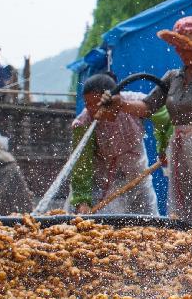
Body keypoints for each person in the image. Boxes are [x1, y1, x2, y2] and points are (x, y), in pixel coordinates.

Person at [102, 16, 192, 228]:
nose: (179, 51)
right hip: (180, 146)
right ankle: (187, 245)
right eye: (177, 46)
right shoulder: (173, 77)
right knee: (184, 204)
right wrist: (120, 102)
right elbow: (147, 107)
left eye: (184, 47)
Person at [68, 73, 164, 216]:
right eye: (88, 104)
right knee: (102, 228)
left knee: (150, 223)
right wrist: (83, 201)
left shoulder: (134, 102)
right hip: (103, 186)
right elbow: (82, 166)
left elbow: (164, 115)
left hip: (138, 177)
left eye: (96, 104)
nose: (92, 110)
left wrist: (164, 146)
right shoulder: (83, 123)